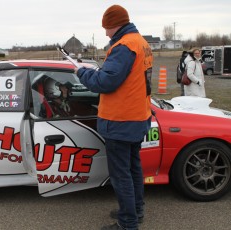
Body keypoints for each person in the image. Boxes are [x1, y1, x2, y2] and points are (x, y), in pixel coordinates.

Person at [75, 5, 152, 230]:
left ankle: (127, 223)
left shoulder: (124, 46)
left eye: (106, 28)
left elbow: (105, 82)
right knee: (133, 168)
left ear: (114, 24)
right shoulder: (141, 43)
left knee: (121, 175)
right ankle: (136, 211)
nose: (106, 33)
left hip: (121, 121)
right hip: (138, 117)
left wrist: (83, 73)